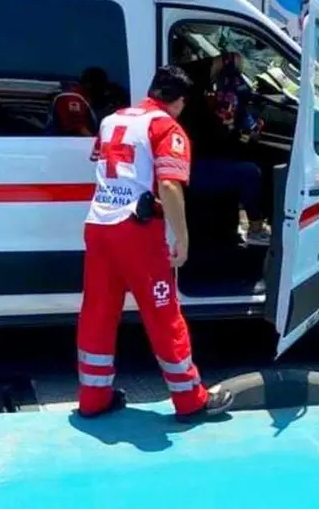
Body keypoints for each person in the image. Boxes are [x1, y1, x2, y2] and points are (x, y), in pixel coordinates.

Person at [76, 65, 235, 423]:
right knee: (163, 315)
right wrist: (182, 237)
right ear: (179, 102)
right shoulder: (166, 127)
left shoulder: (112, 120)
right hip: (137, 231)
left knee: (98, 313)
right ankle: (190, 399)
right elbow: (169, 186)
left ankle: (92, 398)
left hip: (99, 225)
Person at [188, 51, 270, 244]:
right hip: (194, 165)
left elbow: (247, 128)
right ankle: (255, 229)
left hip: (213, 157)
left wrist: (252, 129)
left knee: (251, 163)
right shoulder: (196, 96)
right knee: (249, 173)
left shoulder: (232, 99)